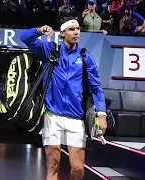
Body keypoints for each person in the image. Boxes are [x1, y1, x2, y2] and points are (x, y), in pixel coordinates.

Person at [20, 18, 107, 180]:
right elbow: (25, 38)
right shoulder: (50, 50)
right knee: (53, 165)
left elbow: (96, 88)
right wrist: (39, 30)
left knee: (77, 168)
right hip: (53, 116)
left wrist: (102, 113)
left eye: (78, 29)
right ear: (62, 34)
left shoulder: (85, 57)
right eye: (72, 29)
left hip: (76, 118)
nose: (76, 32)